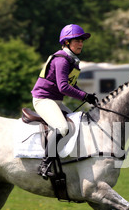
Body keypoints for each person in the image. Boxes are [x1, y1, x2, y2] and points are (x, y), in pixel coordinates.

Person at [31, 24, 98, 179]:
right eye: (77, 40)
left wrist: (87, 95)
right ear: (67, 42)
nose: (81, 43)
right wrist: (84, 96)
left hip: (55, 101)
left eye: (82, 40)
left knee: (78, 123)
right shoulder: (62, 60)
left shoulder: (71, 59)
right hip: (43, 99)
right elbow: (63, 87)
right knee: (62, 127)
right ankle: (44, 164)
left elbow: (71, 84)